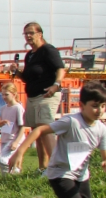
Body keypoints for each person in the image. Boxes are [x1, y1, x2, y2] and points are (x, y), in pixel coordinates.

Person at [10, 82, 106, 198]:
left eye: (103, 106)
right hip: (60, 173)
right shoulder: (72, 122)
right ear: (81, 105)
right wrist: (20, 151)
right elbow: (40, 130)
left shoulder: (102, 129)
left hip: (81, 176)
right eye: (95, 106)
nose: (99, 110)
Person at [9, 22, 66, 171]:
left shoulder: (48, 50)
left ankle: (57, 167)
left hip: (46, 95)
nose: (28, 36)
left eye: (31, 33)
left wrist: (56, 85)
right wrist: (17, 72)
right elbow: (27, 78)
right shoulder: (29, 55)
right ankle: (43, 167)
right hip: (33, 96)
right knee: (37, 132)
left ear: (40, 34)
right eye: (26, 33)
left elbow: (60, 68)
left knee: (44, 128)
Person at [0, 83, 28, 173]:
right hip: (4, 139)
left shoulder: (18, 108)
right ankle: (9, 177)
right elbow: (4, 124)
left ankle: (13, 174)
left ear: (14, 94)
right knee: (3, 162)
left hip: (13, 139)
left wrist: (16, 142)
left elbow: (22, 126)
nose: (4, 97)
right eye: (2, 94)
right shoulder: (3, 108)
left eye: (6, 94)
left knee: (1, 160)